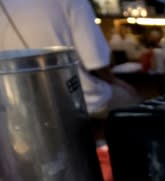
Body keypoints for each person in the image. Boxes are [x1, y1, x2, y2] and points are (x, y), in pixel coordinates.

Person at [0, 0, 140, 119]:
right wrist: (114, 80)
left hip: (20, 108)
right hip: (80, 101)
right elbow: (96, 59)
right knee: (130, 98)